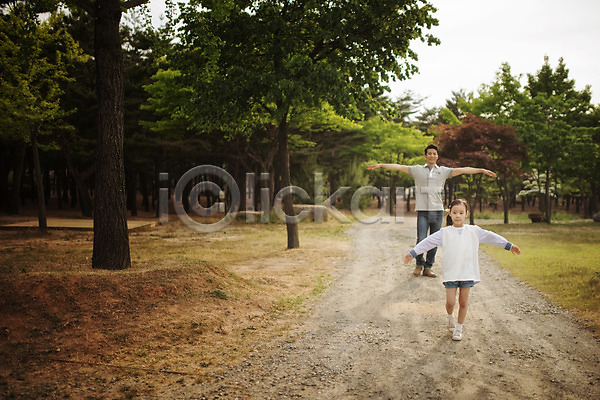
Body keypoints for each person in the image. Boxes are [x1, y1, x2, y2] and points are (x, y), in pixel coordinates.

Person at [368, 144, 497, 278]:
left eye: (434, 153)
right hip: (423, 211)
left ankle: (428, 267)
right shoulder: (417, 170)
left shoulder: (443, 171)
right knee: (421, 238)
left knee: (434, 240)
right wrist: (381, 165)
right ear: (425, 156)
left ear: (437, 156)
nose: (432, 156)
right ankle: (419, 264)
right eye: (429, 153)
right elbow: (399, 167)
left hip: (437, 211)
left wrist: (481, 170)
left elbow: (463, 170)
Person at [403, 198, 521, 341]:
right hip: (451, 273)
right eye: (454, 213)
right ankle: (450, 317)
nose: (458, 215)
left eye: (461, 213)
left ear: (466, 214)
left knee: (463, 302)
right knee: (450, 303)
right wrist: (413, 253)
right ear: (450, 214)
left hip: (467, 272)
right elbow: (427, 242)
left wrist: (509, 245)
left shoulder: (474, 231)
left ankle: (459, 328)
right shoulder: (444, 232)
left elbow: (492, 237)